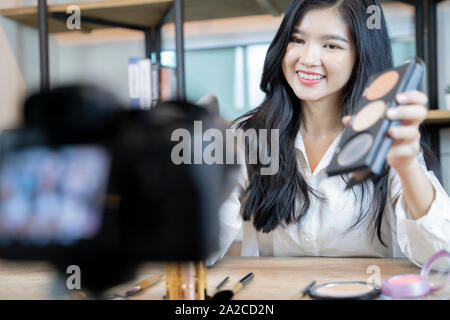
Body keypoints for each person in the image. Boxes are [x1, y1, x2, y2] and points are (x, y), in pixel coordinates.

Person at [206, 0, 450, 268]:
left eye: (331, 45)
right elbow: (200, 247)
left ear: (361, 56)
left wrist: (407, 167)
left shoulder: (389, 135)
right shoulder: (248, 137)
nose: (308, 59)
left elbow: (441, 257)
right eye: (297, 40)